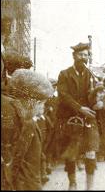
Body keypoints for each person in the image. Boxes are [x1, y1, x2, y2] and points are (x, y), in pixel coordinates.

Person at [56, 42, 100, 190]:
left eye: (86, 55)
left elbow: (94, 96)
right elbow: (64, 96)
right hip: (71, 119)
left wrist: (99, 103)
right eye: (81, 55)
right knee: (71, 154)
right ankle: (72, 183)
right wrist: (80, 108)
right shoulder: (64, 74)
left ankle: (90, 187)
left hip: (88, 120)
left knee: (91, 152)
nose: (83, 58)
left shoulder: (91, 76)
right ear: (74, 56)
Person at [2, 69, 54, 190]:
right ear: (32, 101)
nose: (43, 108)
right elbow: (29, 172)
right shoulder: (28, 124)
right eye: (42, 103)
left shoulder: (12, 113)